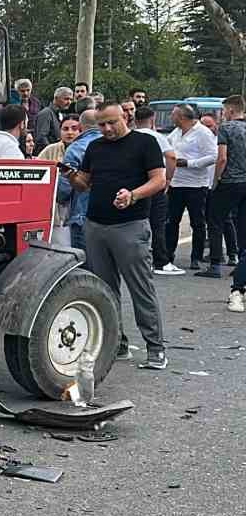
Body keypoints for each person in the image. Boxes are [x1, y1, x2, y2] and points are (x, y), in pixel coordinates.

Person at [69, 100, 169, 369]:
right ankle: (117, 343)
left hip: (131, 226)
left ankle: (155, 348)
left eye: (112, 122)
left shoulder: (145, 143)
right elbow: (83, 185)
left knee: (141, 288)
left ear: (125, 116)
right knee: (105, 290)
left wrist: (133, 195)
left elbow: (159, 180)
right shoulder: (95, 146)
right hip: (95, 225)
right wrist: (70, 174)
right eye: (102, 124)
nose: (107, 128)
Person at [166, 103, 218, 273]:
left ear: (182, 117)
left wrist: (189, 163)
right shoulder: (176, 132)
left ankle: (196, 256)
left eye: (173, 114)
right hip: (176, 182)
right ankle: (168, 254)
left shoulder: (202, 132)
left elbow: (213, 156)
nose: (170, 117)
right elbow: (168, 147)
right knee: (172, 220)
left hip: (196, 184)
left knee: (197, 222)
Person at [133, 107, 181, 274]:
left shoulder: (131, 136)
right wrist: (167, 179)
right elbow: (171, 157)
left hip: (135, 185)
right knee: (157, 223)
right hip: (154, 184)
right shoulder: (157, 137)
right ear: (153, 119)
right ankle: (161, 260)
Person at [213, 97, 246, 305]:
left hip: (230, 182)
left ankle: (215, 263)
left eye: (224, 110)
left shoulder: (226, 129)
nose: (222, 113)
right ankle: (240, 262)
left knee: (216, 221)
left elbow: (222, 157)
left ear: (231, 110)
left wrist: (216, 179)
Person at [60, 107, 103, 250]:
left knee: (85, 266)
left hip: (82, 215)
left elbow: (63, 190)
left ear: (80, 126)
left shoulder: (75, 148)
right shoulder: (113, 145)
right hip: (112, 217)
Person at [40, 116, 81, 230]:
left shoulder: (86, 149)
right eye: (65, 129)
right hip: (55, 211)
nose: (70, 132)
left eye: (74, 128)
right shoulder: (50, 150)